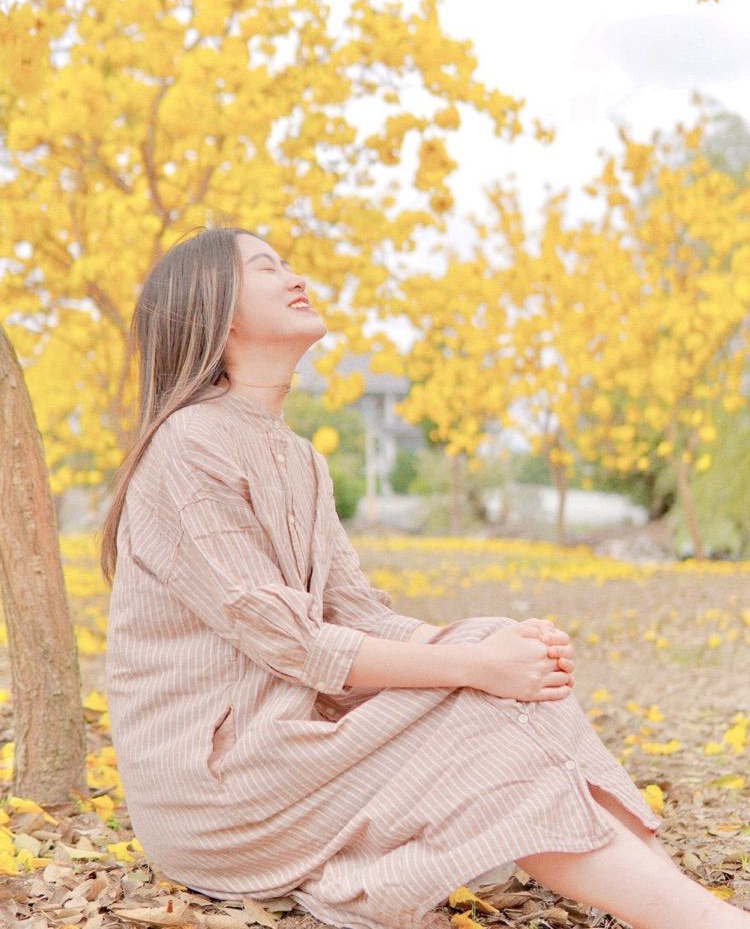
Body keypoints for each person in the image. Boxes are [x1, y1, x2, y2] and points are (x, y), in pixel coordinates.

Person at [100, 227, 749, 929]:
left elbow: (359, 613)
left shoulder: (299, 457)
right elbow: (296, 642)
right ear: (218, 311)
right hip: (222, 787)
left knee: (501, 659)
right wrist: (476, 667)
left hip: (288, 748)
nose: (295, 277)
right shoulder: (188, 444)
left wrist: (498, 650)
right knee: (486, 700)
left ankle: (687, 908)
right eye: (267, 268)